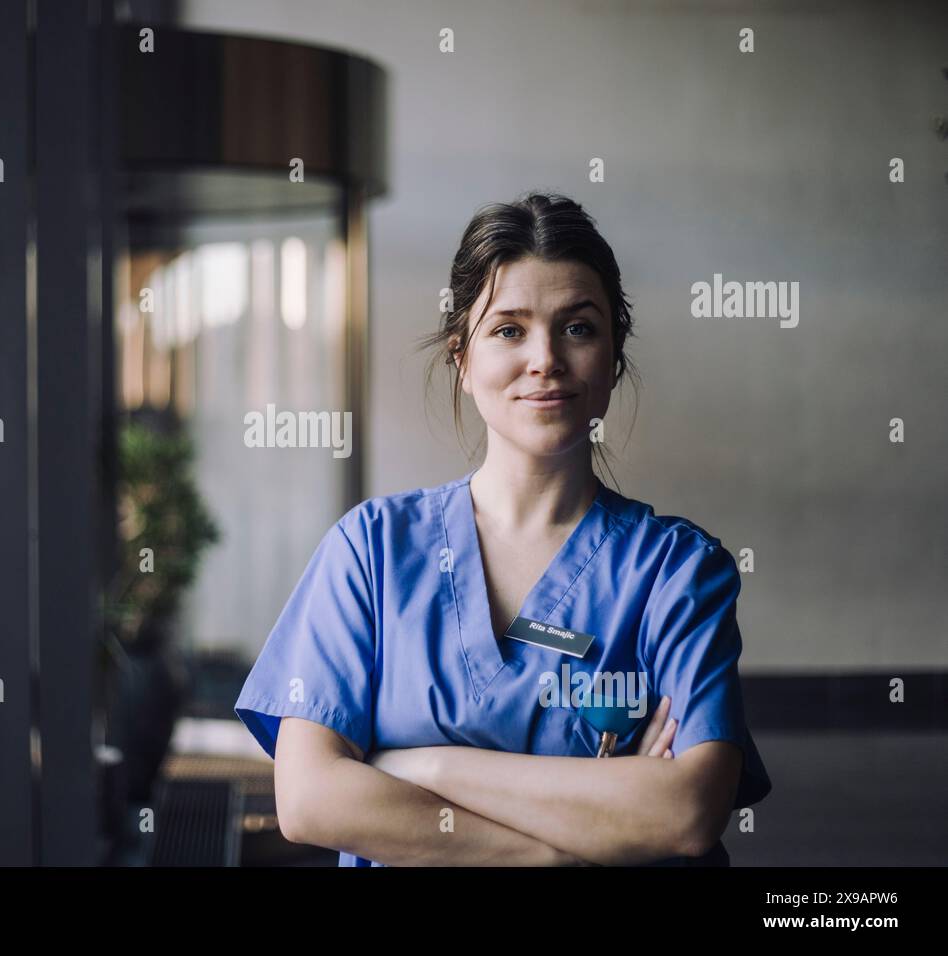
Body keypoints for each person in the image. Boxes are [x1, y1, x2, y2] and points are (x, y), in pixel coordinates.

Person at [234, 193, 771, 866]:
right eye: (508, 330)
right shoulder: (369, 551)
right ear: (462, 359)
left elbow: (687, 812)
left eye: (578, 328)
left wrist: (424, 769)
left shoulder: (677, 571)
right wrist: (558, 850)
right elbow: (311, 800)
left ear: (614, 359)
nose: (544, 358)